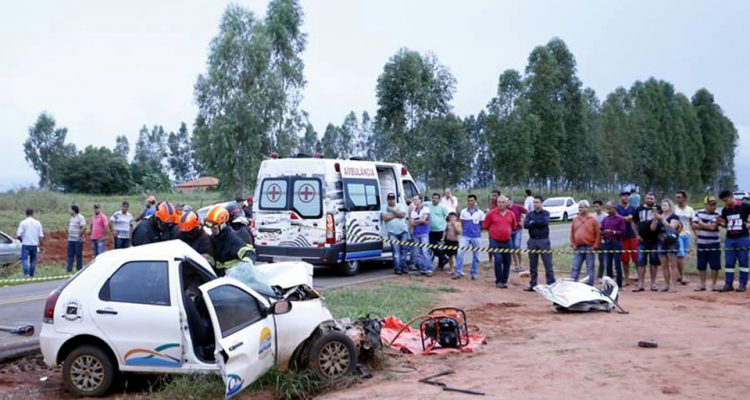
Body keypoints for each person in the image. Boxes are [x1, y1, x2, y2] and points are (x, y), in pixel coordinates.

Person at [716, 189, 750, 292]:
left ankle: (742, 284)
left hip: (743, 238)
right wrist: (721, 223)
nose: (725, 203)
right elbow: (725, 222)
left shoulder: (745, 206)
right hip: (730, 239)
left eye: (726, 200)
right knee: (729, 263)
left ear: (731, 197)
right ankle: (728, 284)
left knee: (743, 261)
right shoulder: (725, 209)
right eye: (724, 201)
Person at [205, 205, 255, 274]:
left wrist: (245, 268)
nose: (212, 230)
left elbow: (249, 253)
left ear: (222, 224)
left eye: (215, 228)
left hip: (232, 278)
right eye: (210, 227)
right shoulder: (214, 237)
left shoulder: (230, 237)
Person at [523, 196, 555, 290]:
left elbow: (544, 223)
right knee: (533, 264)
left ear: (541, 203)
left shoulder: (546, 213)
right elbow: (525, 225)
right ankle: (533, 284)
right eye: (534, 202)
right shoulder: (530, 214)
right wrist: (533, 223)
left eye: (537, 202)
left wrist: (533, 223)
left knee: (548, 264)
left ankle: (551, 284)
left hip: (543, 240)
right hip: (532, 240)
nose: (535, 204)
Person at [483, 196, 515, 288]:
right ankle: (498, 281)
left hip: (507, 241)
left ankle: (504, 280)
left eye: (502, 202)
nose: (500, 204)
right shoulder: (491, 214)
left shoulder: (511, 214)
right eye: (499, 202)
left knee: (507, 261)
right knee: (498, 259)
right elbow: (486, 226)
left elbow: (513, 226)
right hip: (494, 240)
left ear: (506, 203)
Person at [691, 196, 722, 291]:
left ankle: (714, 284)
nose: (713, 207)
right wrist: (706, 225)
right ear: (706, 205)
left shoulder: (718, 214)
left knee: (715, 265)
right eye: (711, 205)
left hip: (714, 243)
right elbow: (693, 225)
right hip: (702, 243)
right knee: (701, 265)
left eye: (714, 204)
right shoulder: (698, 212)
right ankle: (702, 284)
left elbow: (713, 227)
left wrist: (700, 223)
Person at [632, 193, 661, 292]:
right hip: (642, 240)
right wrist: (636, 235)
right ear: (645, 199)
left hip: (655, 240)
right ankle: (641, 283)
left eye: (652, 198)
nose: (650, 200)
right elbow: (633, 222)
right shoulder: (639, 209)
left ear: (655, 200)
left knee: (654, 262)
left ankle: (653, 283)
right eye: (648, 198)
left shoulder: (658, 208)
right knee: (640, 262)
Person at [454, 194, 485, 280]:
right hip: (465, 236)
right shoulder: (464, 212)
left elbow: (481, 224)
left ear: (475, 201)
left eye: (472, 200)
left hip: (476, 236)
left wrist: (477, 231)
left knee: (476, 256)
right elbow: (463, 223)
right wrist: (466, 230)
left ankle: (474, 273)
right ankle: (458, 272)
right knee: (460, 253)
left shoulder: (480, 213)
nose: (470, 202)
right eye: (469, 201)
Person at [652, 199, 681, 292]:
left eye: (665, 205)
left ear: (670, 206)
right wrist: (654, 219)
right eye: (662, 205)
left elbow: (672, 227)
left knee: (673, 264)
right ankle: (666, 284)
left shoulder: (674, 216)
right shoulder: (659, 216)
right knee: (664, 264)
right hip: (661, 241)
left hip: (672, 241)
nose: (663, 207)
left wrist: (662, 219)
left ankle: (674, 286)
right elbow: (653, 229)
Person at [569, 200, 600, 286]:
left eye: (582, 207)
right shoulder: (575, 219)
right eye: (579, 207)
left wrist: (595, 245)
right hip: (578, 247)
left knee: (590, 267)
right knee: (575, 267)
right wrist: (573, 244)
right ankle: (572, 284)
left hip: (589, 247)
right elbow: (572, 233)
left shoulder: (593, 219)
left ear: (587, 208)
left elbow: (598, 234)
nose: (580, 209)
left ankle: (590, 285)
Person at [382, 192, 409, 275]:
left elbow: (403, 215)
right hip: (392, 233)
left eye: (392, 199)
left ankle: (404, 267)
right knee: (396, 252)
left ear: (395, 199)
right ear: (387, 200)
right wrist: (396, 215)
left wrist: (392, 210)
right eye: (389, 199)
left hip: (403, 231)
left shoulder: (400, 205)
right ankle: (397, 269)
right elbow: (385, 218)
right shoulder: (384, 207)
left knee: (404, 251)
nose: (391, 201)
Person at [601, 201, 626, 288]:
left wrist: (613, 232)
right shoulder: (605, 219)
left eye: (610, 208)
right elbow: (602, 229)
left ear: (614, 208)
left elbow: (623, 232)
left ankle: (619, 284)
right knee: (608, 264)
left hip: (616, 242)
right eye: (607, 208)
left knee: (617, 264)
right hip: (607, 243)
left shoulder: (620, 219)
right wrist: (602, 232)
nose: (608, 210)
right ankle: (610, 284)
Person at [616, 191, 638, 286]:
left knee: (637, 258)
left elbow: (635, 219)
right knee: (624, 260)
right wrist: (625, 218)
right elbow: (617, 217)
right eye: (623, 195)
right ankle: (627, 278)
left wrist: (626, 218)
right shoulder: (617, 208)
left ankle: (640, 278)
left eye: (627, 196)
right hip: (622, 237)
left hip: (633, 235)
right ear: (620, 197)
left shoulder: (634, 208)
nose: (625, 197)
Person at [673, 191, 695, 284]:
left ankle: (679, 274)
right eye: (676, 197)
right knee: (680, 254)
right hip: (677, 234)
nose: (678, 199)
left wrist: (695, 234)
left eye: (679, 197)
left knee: (684, 255)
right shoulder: (674, 209)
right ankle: (682, 276)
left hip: (687, 234)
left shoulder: (690, 209)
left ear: (684, 198)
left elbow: (692, 222)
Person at [409, 195, 432, 276]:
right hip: (416, 233)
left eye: (415, 199)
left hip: (424, 233)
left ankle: (429, 269)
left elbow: (423, 220)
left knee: (425, 251)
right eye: (413, 200)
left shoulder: (426, 209)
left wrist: (417, 221)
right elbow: (412, 222)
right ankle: (423, 268)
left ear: (420, 200)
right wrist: (420, 221)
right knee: (418, 252)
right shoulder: (413, 210)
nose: (414, 201)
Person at [16, 208, 44, 277]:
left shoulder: (23, 222)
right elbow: (41, 236)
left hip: (26, 244)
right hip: (34, 244)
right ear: (33, 213)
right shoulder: (38, 223)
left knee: (24, 259)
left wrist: (21, 240)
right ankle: (32, 274)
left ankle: (26, 274)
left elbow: (18, 234)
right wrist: (39, 243)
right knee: (33, 260)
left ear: (26, 214)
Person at [428, 193, 449, 270]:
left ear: (439, 199)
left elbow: (448, 217)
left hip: (441, 231)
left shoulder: (442, 207)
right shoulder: (428, 206)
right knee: (432, 246)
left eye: (436, 198)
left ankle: (441, 265)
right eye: (433, 198)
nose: (434, 199)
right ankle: (444, 258)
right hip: (431, 231)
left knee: (441, 248)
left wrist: (447, 228)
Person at [508, 195, 527, 272]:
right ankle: (516, 265)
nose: (506, 202)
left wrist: (523, 221)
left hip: (518, 229)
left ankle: (520, 264)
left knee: (517, 246)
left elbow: (527, 212)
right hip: (509, 230)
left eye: (507, 200)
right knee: (512, 248)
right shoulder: (505, 209)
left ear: (511, 200)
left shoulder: (517, 207)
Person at [66, 205, 85, 272]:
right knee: (70, 255)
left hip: (77, 240)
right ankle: (69, 269)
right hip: (71, 239)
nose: (69, 211)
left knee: (78, 255)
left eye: (70, 210)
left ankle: (79, 268)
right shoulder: (72, 218)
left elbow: (83, 228)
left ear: (73, 210)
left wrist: (79, 236)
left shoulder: (80, 217)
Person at [593, 200, 607, 278]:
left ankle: (600, 275)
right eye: (594, 207)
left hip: (602, 240)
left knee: (602, 258)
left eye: (597, 206)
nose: (595, 208)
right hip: (593, 240)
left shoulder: (605, 216)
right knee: (591, 259)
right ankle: (591, 275)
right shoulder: (592, 216)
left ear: (601, 206)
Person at [487, 189, 501, 265]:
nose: (493, 197)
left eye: (495, 195)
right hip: (492, 228)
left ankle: (499, 260)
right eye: (493, 195)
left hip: (500, 228)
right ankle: (490, 260)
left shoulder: (501, 204)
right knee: (491, 244)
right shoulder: (491, 204)